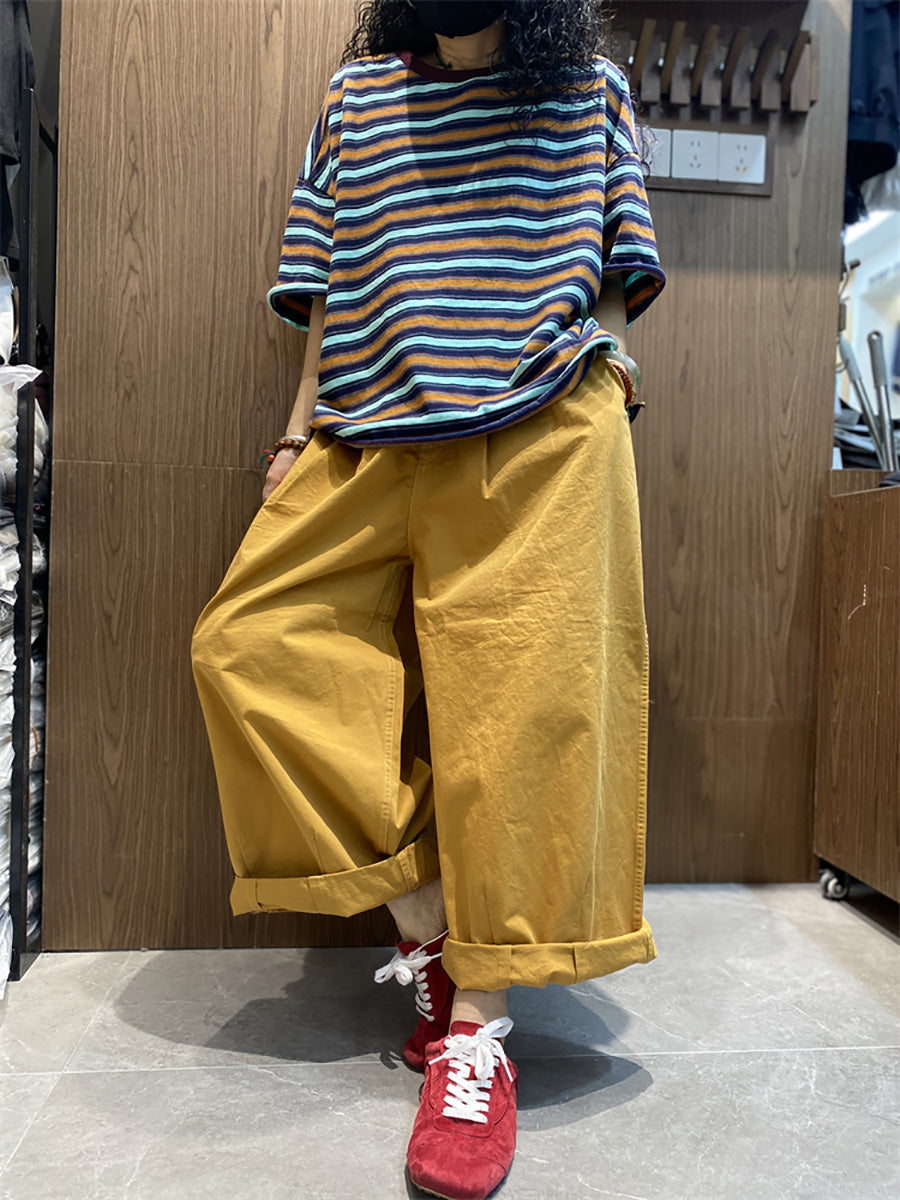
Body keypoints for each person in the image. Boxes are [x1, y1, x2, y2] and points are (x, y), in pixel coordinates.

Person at [191, 1, 666, 1196]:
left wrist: (611, 380)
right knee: (247, 645)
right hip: (367, 432)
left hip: (544, 429)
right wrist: (296, 434)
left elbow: (620, 267)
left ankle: (476, 1034)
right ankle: (438, 927)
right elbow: (324, 284)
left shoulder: (591, 92)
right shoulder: (359, 101)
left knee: (516, 719)